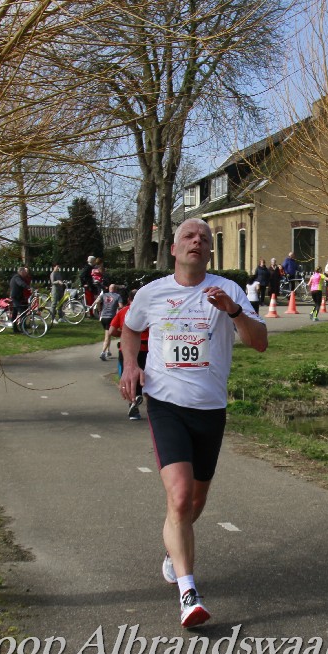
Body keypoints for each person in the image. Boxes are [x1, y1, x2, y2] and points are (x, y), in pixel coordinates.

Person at [120, 218, 268, 628]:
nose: (196, 242)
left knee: (194, 503)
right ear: (173, 248)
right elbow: (130, 330)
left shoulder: (228, 290)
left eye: (204, 238)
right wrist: (130, 365)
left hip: (210, 408)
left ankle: (174, 546)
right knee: (181, 496)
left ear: (210, 251)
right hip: (165, 404)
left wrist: (233, 311)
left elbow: (259, 342)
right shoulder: (152, 293)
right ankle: (189, 594)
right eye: (188, 236)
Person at [109, 288, 148, 419]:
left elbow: (111, 331)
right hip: (146, 349)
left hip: (126, 350)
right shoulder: (148, 311)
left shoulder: (123, 311)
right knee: (145, 378)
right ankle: (144, 400)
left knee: (129, 377)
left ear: (129, 299)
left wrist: (124, 334)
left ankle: (133, 404)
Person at [98, 284, 124, 360]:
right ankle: (103, 352)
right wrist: (117, 309)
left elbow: (98, 301)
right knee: (107, 336)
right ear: (115, 289)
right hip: (110, 317)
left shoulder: (104, 295)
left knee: (108, 334)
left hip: (103, 317)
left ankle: (108, 351)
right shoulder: (117, 296)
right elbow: (121, 307)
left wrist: (99, 310)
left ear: (109, 289)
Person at [8, 266, 30, 332]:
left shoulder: (19, 277)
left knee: (15, 314)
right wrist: (28, 287)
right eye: (25, 272)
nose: (26, 273)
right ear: (21, 272)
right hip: (15, 298)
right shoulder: (17, 277)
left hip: (17, 297)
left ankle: (15, 329)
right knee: (23, 313)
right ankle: (23, 329)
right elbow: (21, 284)